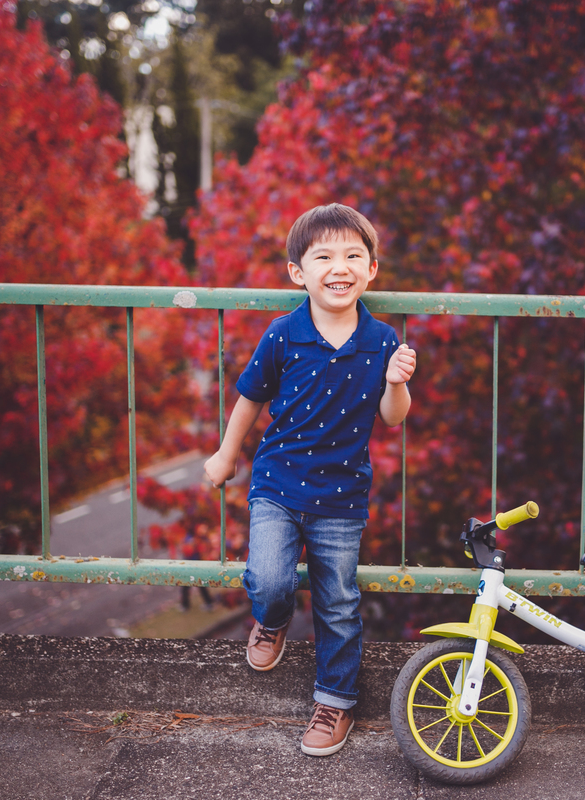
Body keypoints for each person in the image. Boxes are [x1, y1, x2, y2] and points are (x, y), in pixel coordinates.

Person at [204, 203, 416, 756]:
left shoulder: (383, 340)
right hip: (277, 483)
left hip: (342, 496)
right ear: (298, 272)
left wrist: (396, 382)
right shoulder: (284, 333)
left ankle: (335, 703)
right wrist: (226, 456)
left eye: (352, 255)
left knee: (338, 602)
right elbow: (250, 396)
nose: (338, 266)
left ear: (372, 269)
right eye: (323, 256)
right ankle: (271, 622)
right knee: (271, 580)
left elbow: (394, 417)